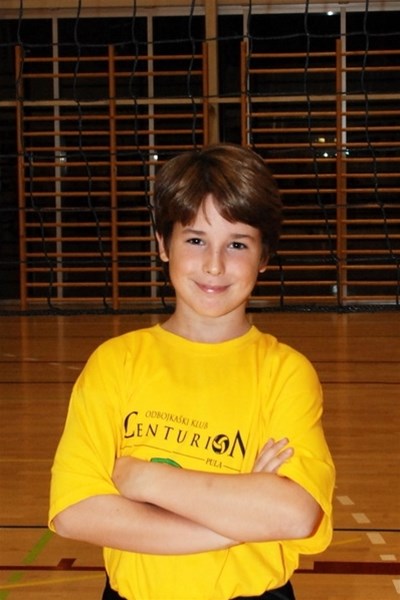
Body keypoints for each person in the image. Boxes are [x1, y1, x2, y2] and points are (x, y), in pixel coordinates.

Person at [49, 143, 335, 600]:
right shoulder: (117, 362)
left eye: (237, 244)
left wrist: (143, 478)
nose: (214, 264)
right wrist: (240, 519)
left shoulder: (284, 373)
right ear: (163, 244)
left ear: (264, 257)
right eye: (196, 239)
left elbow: (295, 515)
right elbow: (75, 512)